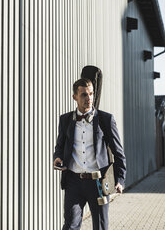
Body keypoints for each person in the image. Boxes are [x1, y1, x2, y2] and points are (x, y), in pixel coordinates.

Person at [53, 78, 127, 230]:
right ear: (75, 97)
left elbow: (118, 151)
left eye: (91, 94)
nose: (89, 99)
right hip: (73, 181)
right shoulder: (65, 120)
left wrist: (120, 179)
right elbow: (60, 145)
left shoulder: (105, 120)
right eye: (84, 95)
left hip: (98, 183)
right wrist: (57, 157)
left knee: (100, 226)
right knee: (70, 225)